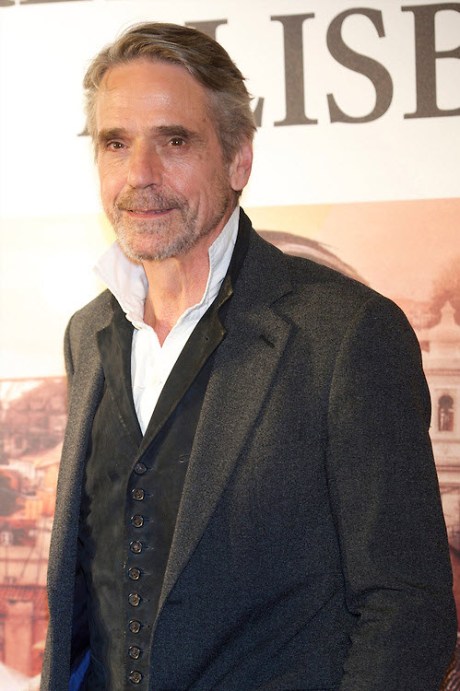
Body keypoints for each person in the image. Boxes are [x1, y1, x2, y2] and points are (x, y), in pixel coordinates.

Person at [42, 22, 456, 691]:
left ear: (238, 160)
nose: (139, 174)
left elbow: (406, 608)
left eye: (174, 141)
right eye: (116, 143)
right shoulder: (87, 334)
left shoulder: (345, 333)